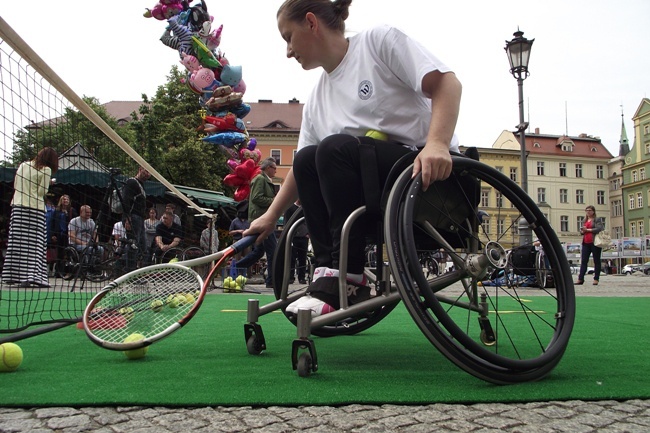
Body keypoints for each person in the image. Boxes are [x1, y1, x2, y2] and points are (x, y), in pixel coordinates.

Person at [244, 0, 460, 317]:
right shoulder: (318, 96)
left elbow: (448, 83)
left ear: (311, 22)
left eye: (288, 37)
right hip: (372, 194)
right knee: (306, 158)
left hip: (424, 173)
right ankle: (328, 273)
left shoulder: (377, 42)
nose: (288, 51)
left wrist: (438, 144)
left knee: (333, 149)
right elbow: (300, 170)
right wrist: (271, 215)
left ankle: (349, 275)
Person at [2, 147, 58, 287]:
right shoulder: (46, 170)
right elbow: (41, 192)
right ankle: (33, 276)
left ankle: (12, 275)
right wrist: (48, 182)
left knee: (17, 243)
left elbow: (16, 184)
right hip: (34, 209)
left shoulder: (23, 165)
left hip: (18, 207)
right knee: (36, 244)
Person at [233, 158, 279, 288]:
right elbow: (256, 198)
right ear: (268, 167)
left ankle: (236, 267)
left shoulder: (264, 180)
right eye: (274, 167)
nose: (276, 170)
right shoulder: (260, 179)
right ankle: (271, 281)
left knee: (259, 252)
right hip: (261, 220)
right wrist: (274, 201)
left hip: (261, 218)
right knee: (273, 251)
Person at [122, 166, 150, 263]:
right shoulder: (132, 182)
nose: (148, 174)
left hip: (139, 219)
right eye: (146, 171)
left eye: (149, 173)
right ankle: (127, 269)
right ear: (140, 169)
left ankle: (130, 268)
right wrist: (127, 218)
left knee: (142, 247)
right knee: (133, 246)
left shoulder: (141, 185)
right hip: (133, 218)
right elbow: (126, 200)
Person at [576, 205, 604, 286]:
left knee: (596, 261)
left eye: (590, 210)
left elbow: (599, 228)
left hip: (595, 242)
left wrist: (588, 230)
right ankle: (580, 278)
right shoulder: (585, 220)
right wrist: (582, 231)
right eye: (587, 210)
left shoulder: (597, 219)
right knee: (584, 261)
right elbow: (582, 231)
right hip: (586, 242)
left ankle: (596, 279)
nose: (588, 212)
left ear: (593, 211)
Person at [284, 203, 309, 284]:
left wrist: (308, 233)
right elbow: (286, 222)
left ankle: (301, 277)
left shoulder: (305, 208)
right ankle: (290, 277)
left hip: (304, 237)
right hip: (293, 237)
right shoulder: (290, 208)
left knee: (303, 258)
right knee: (291, 258)